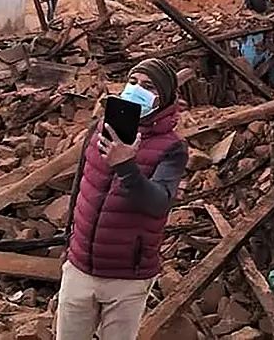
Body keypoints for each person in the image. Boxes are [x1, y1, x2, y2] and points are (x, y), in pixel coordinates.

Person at [57, 58, 188, 340]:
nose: (136, 90)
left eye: (148, 86)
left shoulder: (172, 148)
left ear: (163, 97)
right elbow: (80, 187)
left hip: (127, 277)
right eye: (132, 82)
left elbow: (158, 203)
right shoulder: (98, 130)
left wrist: (126, 166)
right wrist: (69, 243)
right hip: (79, 268)